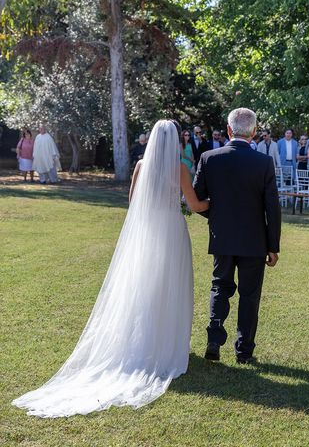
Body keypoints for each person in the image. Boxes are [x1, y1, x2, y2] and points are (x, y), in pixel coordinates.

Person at [12, 120, 209, 418]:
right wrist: (214, 201)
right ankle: (165, 345)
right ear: (176, 142)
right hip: (171, 233)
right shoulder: (179, 168)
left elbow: (133, 202)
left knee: (142, 286)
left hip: (145, 232)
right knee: (169, 286)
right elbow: (194, 205)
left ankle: (142, 343)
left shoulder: (142, 165)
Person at [194, 108, 281, 364]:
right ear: (254, 132)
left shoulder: (209, 158)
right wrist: (273, 245)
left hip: (222, 236)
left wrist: (217, 217)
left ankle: (214, 338)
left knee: (220, 286)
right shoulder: (263, 162)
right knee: (249, 295)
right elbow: (272, 207)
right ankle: (244, 351)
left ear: (229, 130)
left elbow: (197, 200)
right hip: (254, 240)